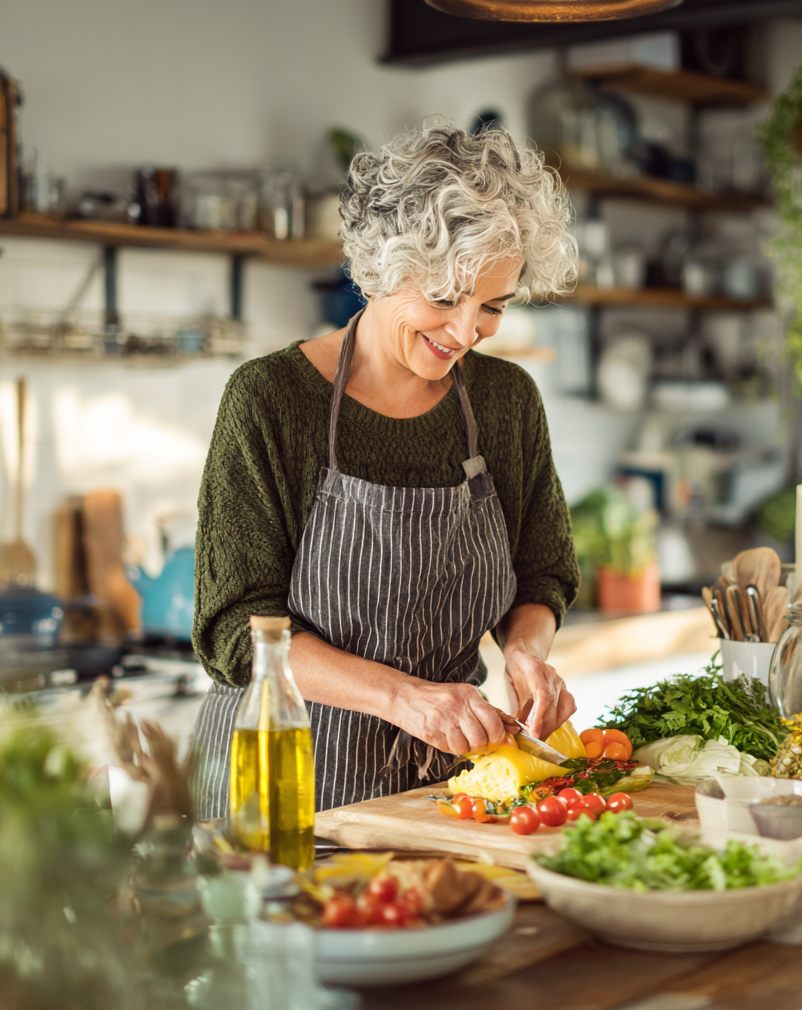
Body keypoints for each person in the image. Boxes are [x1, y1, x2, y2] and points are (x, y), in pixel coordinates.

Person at [189, 123, 581, 818]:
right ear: (382, 269)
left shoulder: (505, 401)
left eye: (492, 305)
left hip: (441, 796)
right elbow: (239, 630)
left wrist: (526, 651)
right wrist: (403, 697)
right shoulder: (269, 400)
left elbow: (541, 571)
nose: (465, 332)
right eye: (443, 297)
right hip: (282, 791)